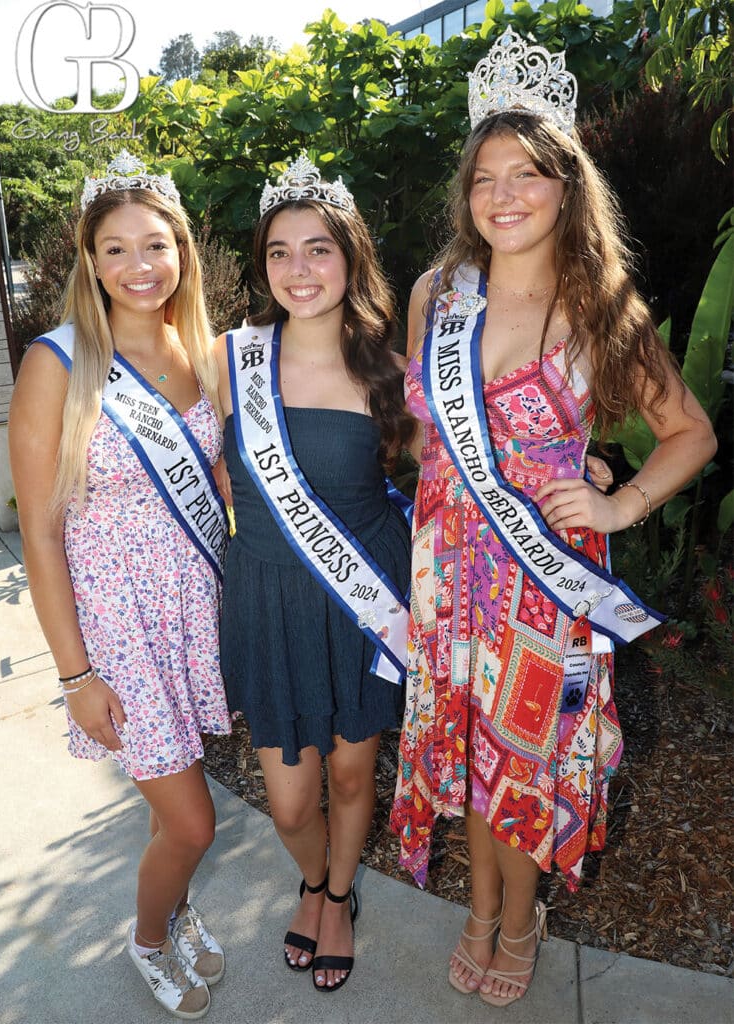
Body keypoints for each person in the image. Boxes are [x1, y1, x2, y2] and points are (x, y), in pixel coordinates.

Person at [390, 27, 717, 1009]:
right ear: (466, 192)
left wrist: (618, 497)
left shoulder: (600, 306)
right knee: (473, 760)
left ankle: (515, 920)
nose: (504, 193)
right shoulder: (434, 294)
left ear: (567, 186)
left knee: (523, 763)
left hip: (543, 585)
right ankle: (482, 911)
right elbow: (421, 438)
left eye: (528, 172)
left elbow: (689, 432)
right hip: (451, 576)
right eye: (485, 174)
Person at [9, 151, 232, 1021]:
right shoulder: (58, 363)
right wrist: (74, 675)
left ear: (182, 251)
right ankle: (147, 941)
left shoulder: (201, 351)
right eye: (116, 250)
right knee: (192, 823)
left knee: (169, 807)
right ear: (90, 262)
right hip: (115, 630)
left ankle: (169, 909)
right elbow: (39, 530)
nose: (139, 267)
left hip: (189, 613)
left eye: (155, 246)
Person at [214, 153, 413, 993]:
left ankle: (336, 896)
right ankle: (312, 872)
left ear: (351, 257)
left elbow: (446, 484)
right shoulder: (228, 360)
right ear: (262, 267)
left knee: (349, 772)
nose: (299, 270)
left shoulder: (389, 373)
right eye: (280, 252)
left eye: (319, 248)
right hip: (267, 604)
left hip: (358, 602)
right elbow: (214, 477)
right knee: (291, 802)